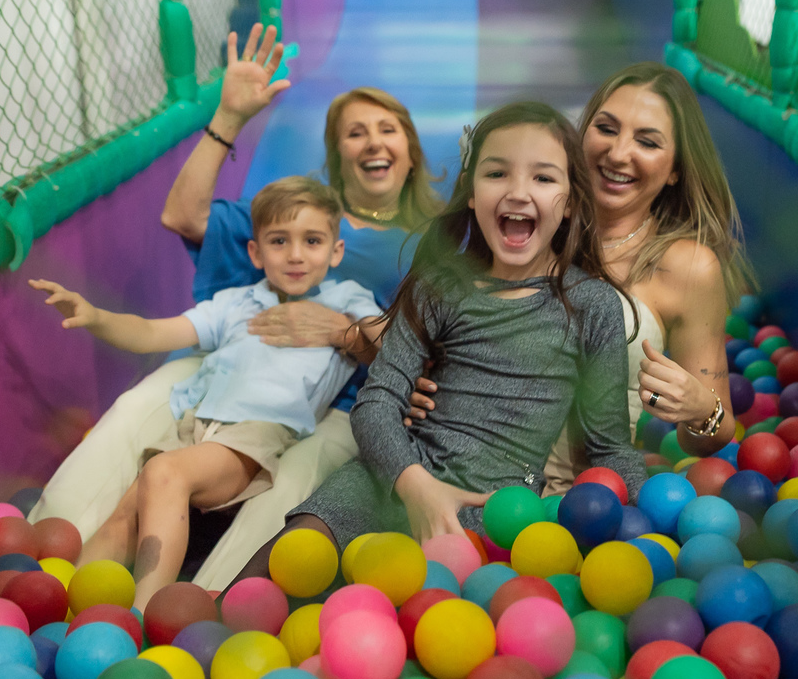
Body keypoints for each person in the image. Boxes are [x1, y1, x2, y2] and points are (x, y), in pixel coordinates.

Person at [27, 23, 445, 591]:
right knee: (138, 407)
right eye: (355, 132)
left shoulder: (432, 243)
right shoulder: (302, 214)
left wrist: (346, 334)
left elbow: (428, 337)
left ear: (410, 150)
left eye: (386, 129)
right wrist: (227, 119)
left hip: (348, 397)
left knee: (302, 473)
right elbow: (185, 217)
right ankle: (48, 565)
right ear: (336, 155)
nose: (372, 141)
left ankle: (210, 603)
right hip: (236, 362)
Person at [224, 101, 648, 581]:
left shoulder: (590, 305)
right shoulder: (441, 286)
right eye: (497, 174)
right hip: (391, 479)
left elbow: (608, 446)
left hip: (491, 507)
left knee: (426, 624)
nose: (517, 192)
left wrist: (653, 523)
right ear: (470, 193)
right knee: (278, 572)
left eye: (543, 178)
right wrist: (414, 483)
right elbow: (377, 402)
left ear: (570, 202)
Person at [30, 177, 382, 609]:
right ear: (255, 252)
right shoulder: (237, 302)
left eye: (312, 241)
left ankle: (146, 614)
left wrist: (342, 327)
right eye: (278, 241)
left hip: (257, 434)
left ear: (336, 251)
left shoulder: (345, 298)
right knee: (127, 510)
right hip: (196, 427)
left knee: (163, 475)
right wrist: (96, 315)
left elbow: (385, 340)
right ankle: (64, 609)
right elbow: (153, 332)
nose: (295, 254)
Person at [407, 63, 752, 495]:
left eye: (646, 141)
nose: (618, 152)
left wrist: (700, 408)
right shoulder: (521, 223)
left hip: (579, 501)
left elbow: (714, 433)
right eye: (606, 128)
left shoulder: (687, 268)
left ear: (676, 168)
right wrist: (419, 381)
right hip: (455, 470)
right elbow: (421, 330)